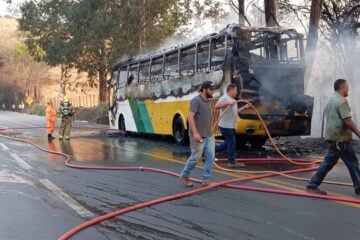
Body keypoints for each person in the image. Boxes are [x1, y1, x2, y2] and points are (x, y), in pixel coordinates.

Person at [306, 79, 360, 196]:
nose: (348, 89)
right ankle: (359, 187)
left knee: (329, 162)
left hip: (333, 138)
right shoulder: (341, 101)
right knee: (352, 162)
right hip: (340, 139)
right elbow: (347, 120)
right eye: (347, 87)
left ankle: (312, 185)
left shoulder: (331, 100)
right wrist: (358, 133)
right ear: (341, 88)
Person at [180, 81, 215, 187]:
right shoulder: (196, 101)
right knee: (196, 157)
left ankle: (206, 179)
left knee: (210, 156)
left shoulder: (207, 101)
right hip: (198, 136)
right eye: (211, 89)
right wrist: (195, 133)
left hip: (208, 135)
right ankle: (184, 175)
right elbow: (190, 117)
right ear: (204, 90)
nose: (213, 91)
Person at [215, 84, 250, 168]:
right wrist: (227, 103)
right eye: (235, 90)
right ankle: (232, 161)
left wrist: (245, 107)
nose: (237, 92)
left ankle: (211, 151)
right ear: (230, 90)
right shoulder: (225, 98)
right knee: (232, 143)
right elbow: (216, 106)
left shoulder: (233, 100)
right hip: (225, 125)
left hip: (231, 125)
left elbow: (235, 112)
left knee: (228, 142)